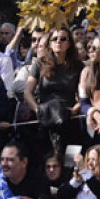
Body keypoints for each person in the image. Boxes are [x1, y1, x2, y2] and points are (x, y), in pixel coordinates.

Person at [25, 27, 84, 160]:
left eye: (63, 39)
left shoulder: (78, 66)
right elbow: (27, 92)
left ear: (69, 43)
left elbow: (83, 94)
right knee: (47, 161)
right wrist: (36, 109)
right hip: (45, 118)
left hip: (69, 119)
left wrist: (76, 108)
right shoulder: (40, 64)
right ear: (49, 43)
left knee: (70, 162)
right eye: (55, 39)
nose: (59, 42)